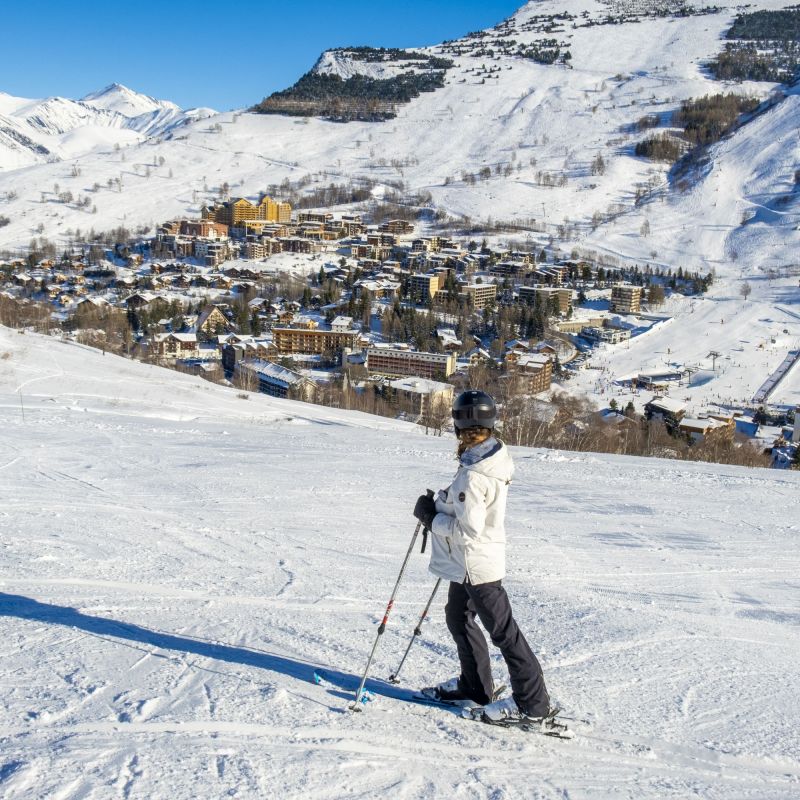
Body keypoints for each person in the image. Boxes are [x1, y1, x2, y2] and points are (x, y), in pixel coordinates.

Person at [412, 389, 551, 726]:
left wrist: (432, 518)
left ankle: (532, 705)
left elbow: (468, 530)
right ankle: (474, 687)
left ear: (460, 424)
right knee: (457, 617)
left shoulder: (475, 474)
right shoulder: (487, 458)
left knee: (504, 632)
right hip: (469, 562)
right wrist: (442, 503)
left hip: (477, 564)